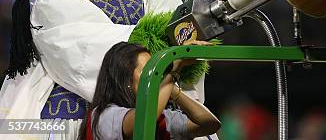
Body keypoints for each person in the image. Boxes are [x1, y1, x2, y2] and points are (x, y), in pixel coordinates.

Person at [79, 41, 221, 140]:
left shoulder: (161, 119)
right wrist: (173, 71)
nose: (154, 76)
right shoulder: (104, 116)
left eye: (154, 71)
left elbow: (210, 124)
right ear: (124, 79)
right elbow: (144, 119)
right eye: (147, 71)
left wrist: (173, 90)